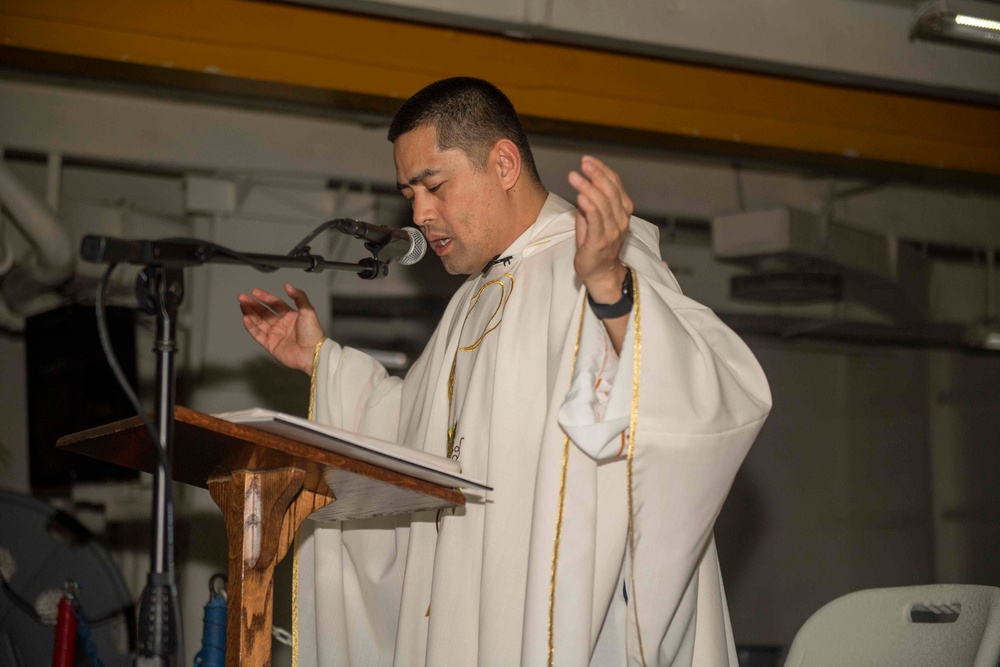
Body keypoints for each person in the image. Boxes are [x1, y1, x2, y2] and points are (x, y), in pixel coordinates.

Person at [239, 77, 771, 666]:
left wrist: (608, 288)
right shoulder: (472, 300)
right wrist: (323, 361)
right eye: (408, 193)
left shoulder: (597, 256)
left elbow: (706, 399)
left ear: (504, 162)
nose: (418, 213)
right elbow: (411, 434)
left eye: (433, 186)